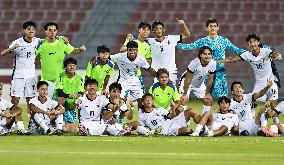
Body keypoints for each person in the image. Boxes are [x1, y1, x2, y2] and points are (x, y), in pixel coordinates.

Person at [177, 18, 246, 97]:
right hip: (207, 72)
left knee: (223, 96)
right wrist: (175, 43)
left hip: (220, 72)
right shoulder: (203, 41)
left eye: (214, 26)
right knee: (207, 96)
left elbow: (236, 50)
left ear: (218, 27)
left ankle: (223, 109)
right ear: (207, 28)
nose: (213, 28)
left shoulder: (224, 41)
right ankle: (206, 109)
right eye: (210, 26)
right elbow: (189, 46)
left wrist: (248, 53)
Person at [219, 33, 282, 108]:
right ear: (248, 44)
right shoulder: (247, 55)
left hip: (271, 81)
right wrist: (214, 61)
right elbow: (230, 59)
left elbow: (274, 54)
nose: (252, 44)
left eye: (254, 41)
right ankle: (251, 119)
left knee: (273, 104)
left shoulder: (265, 51)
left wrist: (277, 56)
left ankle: (275, 119)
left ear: (258, 43)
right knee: (252, 102)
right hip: (259, 83)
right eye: (250, 42)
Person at [36, 22, 86, 98]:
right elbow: (31, 55)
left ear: (56, 31)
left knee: (60, 102)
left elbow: (74, 51)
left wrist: (81, 49)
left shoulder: (62, 42)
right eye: (50, 30)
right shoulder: (41, 44)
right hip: (46, 80)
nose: (52, 32)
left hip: (59, 80)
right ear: (46, 31)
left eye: (54, 30)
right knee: (46, 105)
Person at [0, 21, 40, 116]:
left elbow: (50, 40)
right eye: (29, 29)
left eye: (33, 29)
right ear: (24, 30)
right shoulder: (18, 42)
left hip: (31, 76)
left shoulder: (37, 41)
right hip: (18, 75)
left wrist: (61, 38)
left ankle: (31, 124)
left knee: (30, 100)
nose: (31, 31)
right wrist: (12, 48)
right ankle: (12, 123)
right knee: (15, 99)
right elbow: (3, 53)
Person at [147, 19, 190, 85]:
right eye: (156, 28)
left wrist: (183, 24)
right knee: (157, 94)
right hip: (157, 74)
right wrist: (130, 37)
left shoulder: (171, 38)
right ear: (153, 31)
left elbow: (187, 35)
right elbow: (137, 40)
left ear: (163, 30)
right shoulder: (149, 41)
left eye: (160, 28)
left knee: (171, 93)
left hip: (171, 72)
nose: (158, 30)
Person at [137, 93, 201, 136]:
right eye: (146, 100)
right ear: (142, 103)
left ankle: (204, 128)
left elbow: (171, 116)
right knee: (187, 130)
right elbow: (142, 128)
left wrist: (173, 109)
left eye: (150, 99)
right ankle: (199, 133)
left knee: (191, 110)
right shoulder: (142, 116)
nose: (149, 101)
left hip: (173, 122)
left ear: (153, 101)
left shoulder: (159, 110)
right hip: (169, 130)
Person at [179, 46, 215, 114]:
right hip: (186, 82)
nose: (207, 56)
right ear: (200, 55)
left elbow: (210, 80)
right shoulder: (194, 63)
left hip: (199, 83)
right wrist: (185, 93)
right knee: (184, 100)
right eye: (205, 54)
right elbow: (188, 79)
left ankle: (205, 122)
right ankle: (182, 122)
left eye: (209, 54)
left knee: (208, 100)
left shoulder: (213, 63)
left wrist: (207, 93)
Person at [54, 58, 84, 133]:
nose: (72, 67)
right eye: (70, 65)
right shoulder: (60, 76)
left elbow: (81, 93)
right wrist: (69, 96)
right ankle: (57, 123)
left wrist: (75, 102)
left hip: (72, 105)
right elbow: (59, 92)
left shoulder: (79, 78)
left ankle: (62, 125)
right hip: (61, 101)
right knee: (62, 99)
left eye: (74, 65)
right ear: (65, 67)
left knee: (70, 131)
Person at [120, 21, 152, 90]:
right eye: (144, 29)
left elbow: (148, 61)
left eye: (148, 30)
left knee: (140, 98)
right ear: (139, 30)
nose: (146, 31)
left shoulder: (148, 46)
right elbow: (122, 50)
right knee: (122, 97)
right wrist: (129, 45)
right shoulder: (132, 39)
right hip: (126, 74)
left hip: (137, 75)